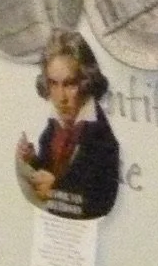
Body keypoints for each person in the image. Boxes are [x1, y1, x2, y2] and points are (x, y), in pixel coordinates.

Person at [15, 27, 120, 219]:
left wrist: (54, 190)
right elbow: (52, 169)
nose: (60, 97)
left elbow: (99, 202)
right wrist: (33, 161)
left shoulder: (101, 137)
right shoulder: (52, 128)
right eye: (53, 84)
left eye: (70, 84)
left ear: (86, 82)